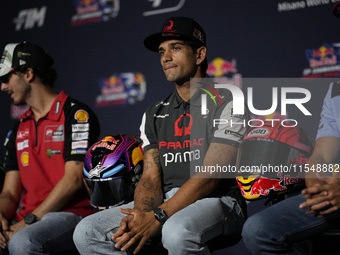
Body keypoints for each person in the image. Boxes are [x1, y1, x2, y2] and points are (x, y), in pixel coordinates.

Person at [73, 16, 248, 255]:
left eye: (175, 48)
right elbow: (150, 178)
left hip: (219, 200)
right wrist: (141, 214)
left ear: (199, 55)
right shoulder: (155, 112)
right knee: (87, 231)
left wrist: (158, 216)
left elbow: (211, 176)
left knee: (176, 232)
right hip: (165, 200)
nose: (165, 58)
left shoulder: (228, 100)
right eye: (161, 51)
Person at [0, 41, 100, 254]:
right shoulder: (18, 127)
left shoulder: (76, 115)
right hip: (27, 217)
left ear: (28, 73)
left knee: (23, 243)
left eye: (7, 79)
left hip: (71, 214)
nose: (3, 87)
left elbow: (74, 180)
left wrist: (29, 220)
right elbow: (9, 191)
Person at [242, 81, 340, 255]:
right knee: (257, 229)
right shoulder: (336, 89)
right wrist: (317, 187)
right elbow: (321, 155)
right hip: (333, 194)